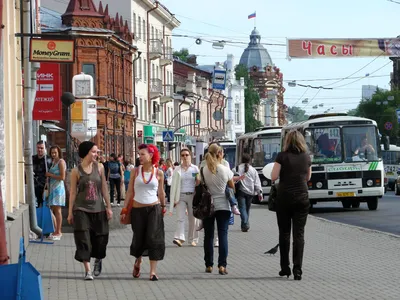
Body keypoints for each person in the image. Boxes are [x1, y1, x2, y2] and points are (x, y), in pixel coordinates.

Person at [68, 141, 113, 281]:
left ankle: (98, 259)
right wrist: (70, 212)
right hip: (81, 210)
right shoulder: (76, 171)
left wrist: (109, 207)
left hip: (98, 209)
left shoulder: (99, 168)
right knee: (83, 239)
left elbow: (104, 188)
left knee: (101, 239)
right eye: (94, 152)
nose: (96, 154)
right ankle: (88, 271)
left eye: (97, 152)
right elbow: (73, 193)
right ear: (86, 153)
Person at [120, 144, 166, 281]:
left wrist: (163, 206)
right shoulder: (136, 171)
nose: (139, 157)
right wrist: (124, 208)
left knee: (153, 238)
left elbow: (161, 191)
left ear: (151, 156)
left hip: (154, 208)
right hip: (137, 209)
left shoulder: (159, 173)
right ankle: (138, 261)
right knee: (139, 238)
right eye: (139, 154)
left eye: (142, 154)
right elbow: (129, 192)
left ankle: (152, 272)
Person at [271, 130, 312, 281]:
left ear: (287, 141)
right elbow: (308, 177)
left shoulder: (281, 156)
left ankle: (285, 267)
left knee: (284, 233)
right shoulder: (306, 157)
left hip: (284, 198)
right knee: (299, 234)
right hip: (302, 198)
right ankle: (298, 269)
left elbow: (274, 176)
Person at [201, 143, 235, 275]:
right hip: (223, 206)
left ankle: (209, 265)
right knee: (222, 235)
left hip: (208, 205)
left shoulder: (204, 169)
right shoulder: (225, 169)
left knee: (208, 236)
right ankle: (222, 265)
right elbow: (232, 187)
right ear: (220, 153)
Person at [169, 148, 200, 247]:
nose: (185, 157)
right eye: (183, 155)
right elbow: (174, 184)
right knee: (180, 218)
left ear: (190, 156)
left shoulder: (194, 169)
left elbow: (198, 181)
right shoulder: (177, 169)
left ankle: (193, 239)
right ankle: (180, 238)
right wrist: (173, 199)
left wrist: (198, 183)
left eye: (187, 155)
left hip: (192, 195)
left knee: (193, 218)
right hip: (180, 195)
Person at [235, 153, 262, 232]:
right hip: (250, 192)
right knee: (247, 209)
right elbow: (257, 182)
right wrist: (259, 193)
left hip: (241, 191)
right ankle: (244, 226)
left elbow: (232, 178)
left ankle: (245, 223)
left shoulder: (236, 168)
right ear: (250, 160)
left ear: (241, 160)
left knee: (242, 209)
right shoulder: (253, 170)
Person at [46, 145, 66, 240]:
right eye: (52, 153)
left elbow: (62, 177)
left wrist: (50, 175)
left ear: (59, 152)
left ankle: (59, 231)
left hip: (58, 189)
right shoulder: (53, 162)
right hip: (52, 188)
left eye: (55, 152)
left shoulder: (61, 162)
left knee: (57, 210)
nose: (53, 154)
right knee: (52, 209)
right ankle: (56, 230)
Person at [33, 140, 52, 207]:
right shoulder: (32, 159)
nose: (39, 150)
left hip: (45, 187)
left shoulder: (49, 160)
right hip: (34, 187)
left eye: (41, 148)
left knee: (46, 207)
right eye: (38, 148)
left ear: (45, 149)